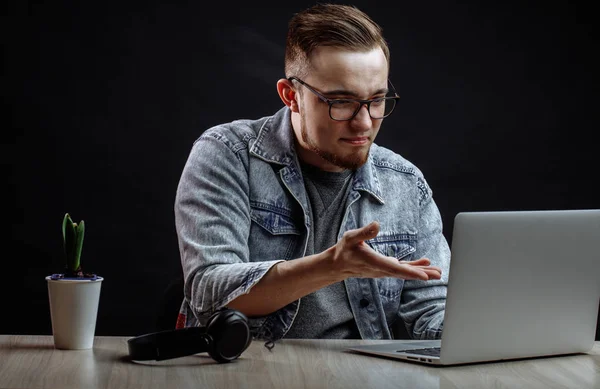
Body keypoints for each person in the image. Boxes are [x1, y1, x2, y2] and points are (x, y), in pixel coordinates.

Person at [174, 3, 450, 342]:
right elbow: (209, 295)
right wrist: (332, 266)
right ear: (292, 96)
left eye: (376, 100)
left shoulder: (406, 184)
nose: (364, 122)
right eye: (340, 102)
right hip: (249, 371)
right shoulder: (227, 155)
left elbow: (432, 312)